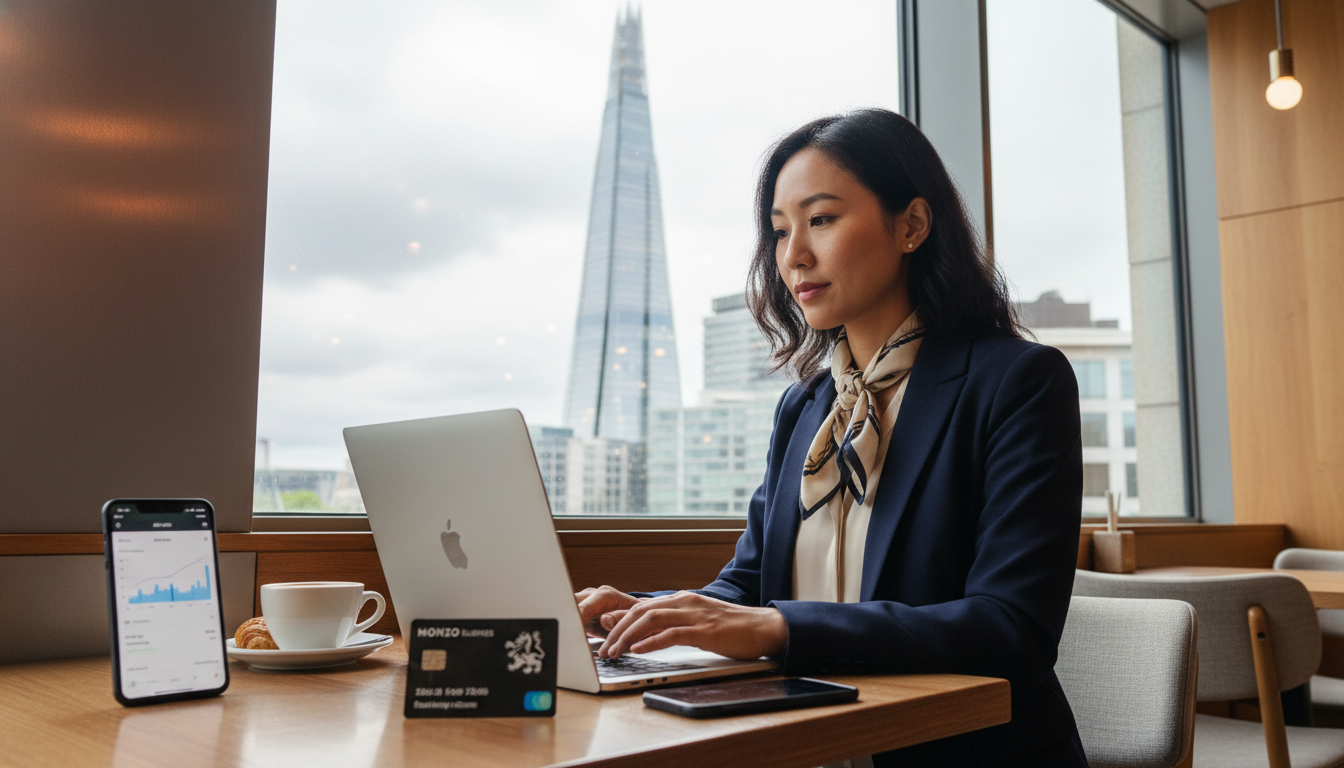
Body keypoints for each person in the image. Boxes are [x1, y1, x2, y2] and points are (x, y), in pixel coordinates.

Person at [575, 108, 1086, 767]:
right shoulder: (807, 406)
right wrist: (647, 613)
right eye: (780, 231)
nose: (793, 257)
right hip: (810, 742)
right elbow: (753, 585)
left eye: (820, 220)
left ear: (912, 225)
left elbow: (1010, 628)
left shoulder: (1018, 382)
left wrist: (782, 628)